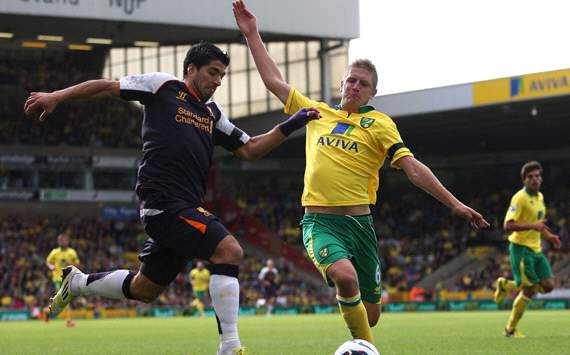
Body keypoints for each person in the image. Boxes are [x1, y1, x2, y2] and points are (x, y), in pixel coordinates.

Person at [24, 42, 319, 355]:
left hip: (185, 207)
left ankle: (79, 283)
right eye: (212, 72)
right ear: (191, 69)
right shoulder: (162, 86)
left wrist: (291, 124)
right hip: (163, 202)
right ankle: (230, 346)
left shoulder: (213, 114)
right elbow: (107, 87)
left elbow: (251, 148)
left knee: (144, 289)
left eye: (222, 75)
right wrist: (56, 96)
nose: (218, 81)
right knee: (229, 250)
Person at [233, 0, 490, 344]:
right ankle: (365, 350)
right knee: (345, 276)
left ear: (373, 92)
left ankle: (363, 336)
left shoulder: (381, 124)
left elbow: (411, 167)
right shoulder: (316, 112)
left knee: (371, 313)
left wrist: (455, 204)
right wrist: (251, 33)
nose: (355, 86)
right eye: (350, 80)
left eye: (363, 83)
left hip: (361, 225)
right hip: (320, 222)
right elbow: (273, 80)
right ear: (342, 84)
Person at [494, 161, 561, 338]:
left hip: (536, 250)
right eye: (530, 177)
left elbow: (539, 224)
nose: (535, 179)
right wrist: (533, 226)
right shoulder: (519, 198)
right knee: (529, 290)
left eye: (538, 176)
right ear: (524, 180)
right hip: (520, 249)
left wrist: (549, 236)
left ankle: (505, 285)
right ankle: (510, 329)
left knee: (548, 286)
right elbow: (508, 226)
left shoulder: (540, 198)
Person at [45, 233, 80, 327]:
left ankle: (47, 312)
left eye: (64, 240)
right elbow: (48, 261)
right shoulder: (54, 252)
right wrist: (51, 266)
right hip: (58, 278)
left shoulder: (72, 252)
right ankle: (69, 321)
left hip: (69, 278)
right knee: (65, 299)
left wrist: (69, 263)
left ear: (67, 241)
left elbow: (77, 264)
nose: (62, 242)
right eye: (60, 240)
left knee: (60, 300)